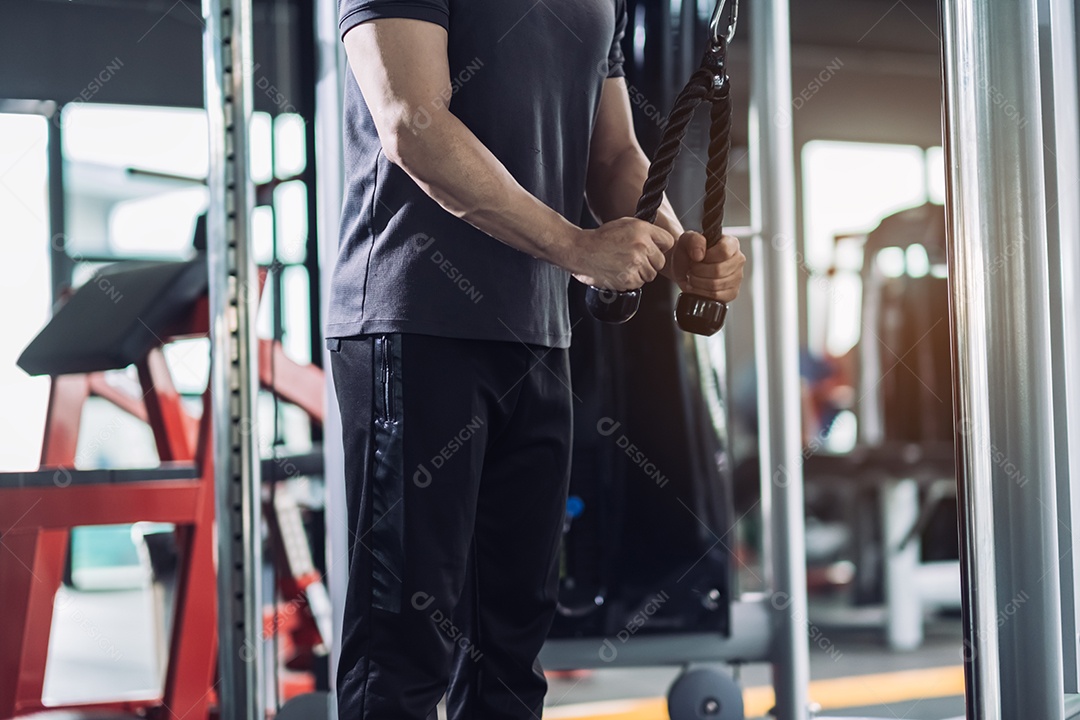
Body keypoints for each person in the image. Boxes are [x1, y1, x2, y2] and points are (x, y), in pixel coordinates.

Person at [326, 1, 746, 718]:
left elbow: (612, 155)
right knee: (404, 648)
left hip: (538, 333)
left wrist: (680, 250)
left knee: (509, 648)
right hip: (417, 319)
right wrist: (577, 248)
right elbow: (412, 125)